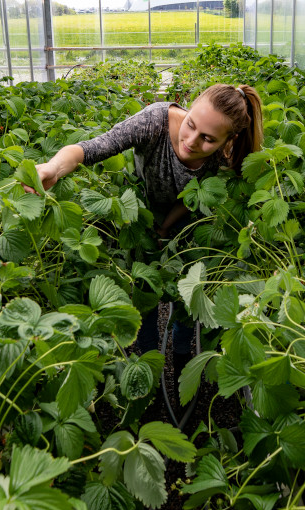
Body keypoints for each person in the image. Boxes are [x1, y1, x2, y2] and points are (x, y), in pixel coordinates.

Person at [33, 83, 264, 361]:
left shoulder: (223, 155)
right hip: (140, 213)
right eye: (191, 125)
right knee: (144, 290)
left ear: (229, 139)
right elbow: (93, 148)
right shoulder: (154, 122)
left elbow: (191, 197)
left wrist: (167, 227)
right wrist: (52, 167)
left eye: (208, 139)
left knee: (186, 297)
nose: (191, 141)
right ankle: (150, 359)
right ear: (188, 108)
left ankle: (181, 356)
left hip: (189, 223)